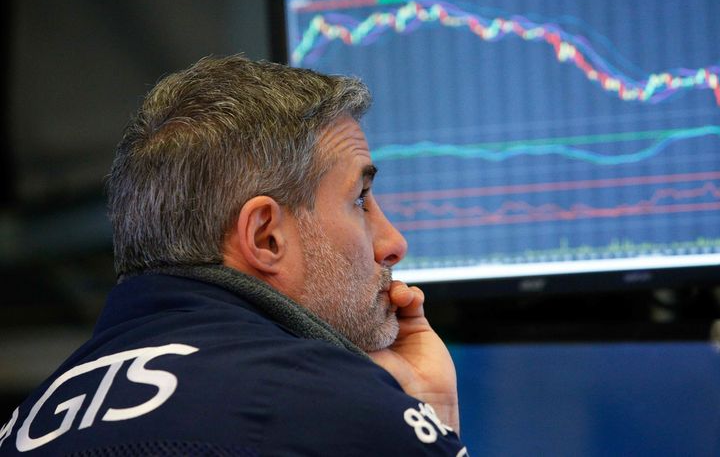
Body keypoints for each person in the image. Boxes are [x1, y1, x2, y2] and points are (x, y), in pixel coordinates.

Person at [0, 56, 467, 456]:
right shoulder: (323, 402)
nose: (393, 243)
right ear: (266, 237)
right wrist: (428, 421)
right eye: (360, 200)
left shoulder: (28, 420)